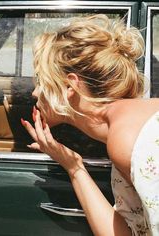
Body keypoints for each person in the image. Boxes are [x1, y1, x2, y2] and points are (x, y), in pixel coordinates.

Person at [21, 14, 159, 236]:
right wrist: (74, 167)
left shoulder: (129, 137)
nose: (34, 92)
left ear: (70, 86)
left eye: (41, 80)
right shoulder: (124, 127)